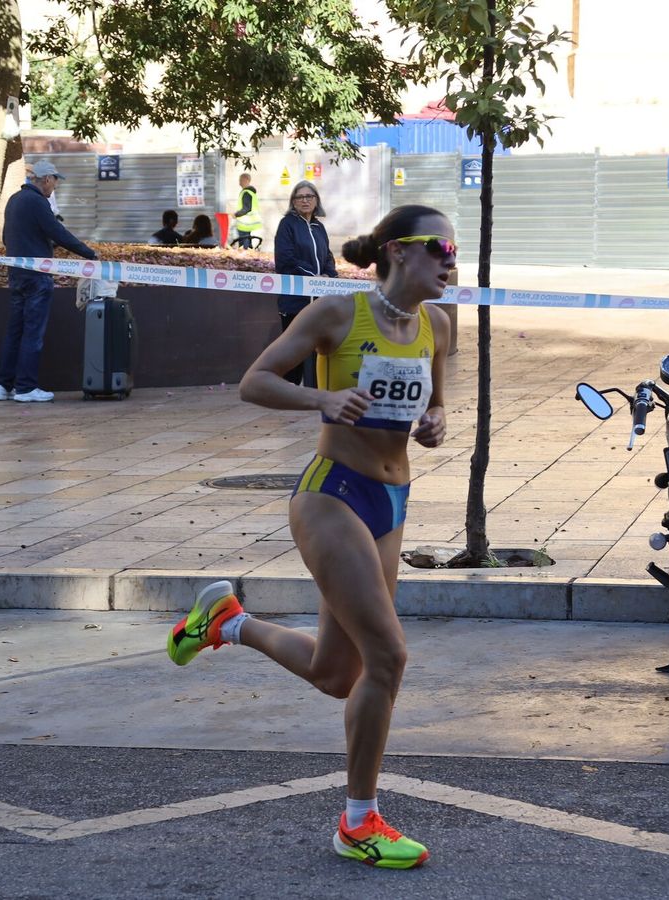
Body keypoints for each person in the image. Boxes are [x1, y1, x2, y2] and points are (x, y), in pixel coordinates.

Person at [167, 204, 454, 870]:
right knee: (388, 657)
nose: (451, 259)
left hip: (392, 501)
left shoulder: (436, 325)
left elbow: (435, 402)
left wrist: (435, 420)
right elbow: (255, 382)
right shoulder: (337, 314)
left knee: (336, 673)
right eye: (440, 246)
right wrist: (320, 399)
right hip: (332, 496)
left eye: (454, 249)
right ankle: (358, 823)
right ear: (398, 250)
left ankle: (228, 622)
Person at [0, 159, 98, 403]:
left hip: (16, 273)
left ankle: (3, 385)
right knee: (33, 332)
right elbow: (58, 233)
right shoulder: (38, 202)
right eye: (55, 181)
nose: (55, 187)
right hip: (37, 277)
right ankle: (26, 387)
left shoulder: (14, 200)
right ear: (47, 179)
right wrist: (89, 254)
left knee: (15, 331)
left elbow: (7, 237)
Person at [272, 180, 337, 387]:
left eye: (309, 196)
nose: (305, 200)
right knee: (293, 353)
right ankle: (286, 393)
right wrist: (312, 276)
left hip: (318, 300)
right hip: (295, 300)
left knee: (319, 352)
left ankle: (316, 392)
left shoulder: (319, 227)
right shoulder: (287, 224)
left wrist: (328, 275)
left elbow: (327, 257)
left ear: (316, 200)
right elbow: (285, 260)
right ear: (293, 201)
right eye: (300, 197)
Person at [232, 172, 262, 249]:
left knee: (244, 247)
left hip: (245, 224)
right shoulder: (251, 192)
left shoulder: (246, 193)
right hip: (249, 224)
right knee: (248, 245)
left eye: (240, 180)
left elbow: (246, 208)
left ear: (246, 180)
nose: (239, 183)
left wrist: (236, 214)